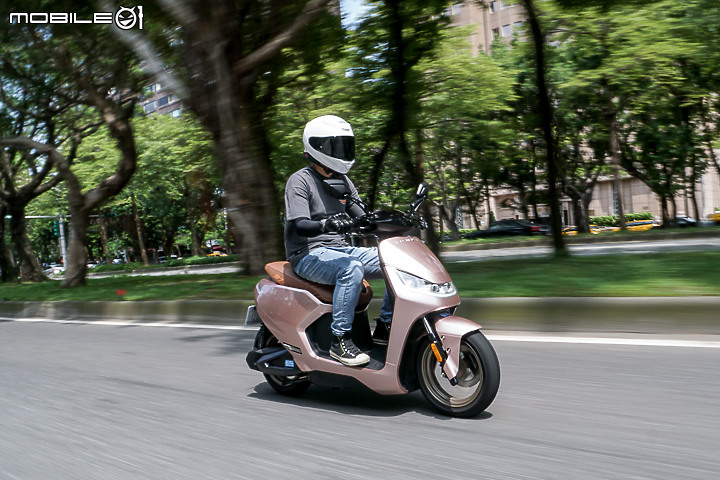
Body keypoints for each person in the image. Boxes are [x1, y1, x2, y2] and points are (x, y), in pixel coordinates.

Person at [283, 115, 393, 367]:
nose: (342, 152)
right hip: (308, 253)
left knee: (396, 261)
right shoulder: (300, 180)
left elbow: (363, 218)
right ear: (317, 147)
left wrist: (394, 221)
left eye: (345, 145)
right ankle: (340, 341)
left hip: (340, 250)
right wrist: (325, 224)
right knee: (351, 268)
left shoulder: (342, 180)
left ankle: (385, 326)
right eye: (336, 146)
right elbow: (299, 224)